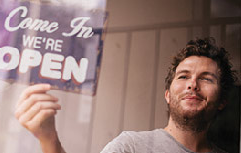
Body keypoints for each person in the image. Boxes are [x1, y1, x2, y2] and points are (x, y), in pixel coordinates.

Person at [15, 37, 237, 153]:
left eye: (207, 78)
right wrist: (49, 140)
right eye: (183, 76)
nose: (193, 85)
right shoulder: (131, 146)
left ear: (222, 101)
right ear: (167, 95)